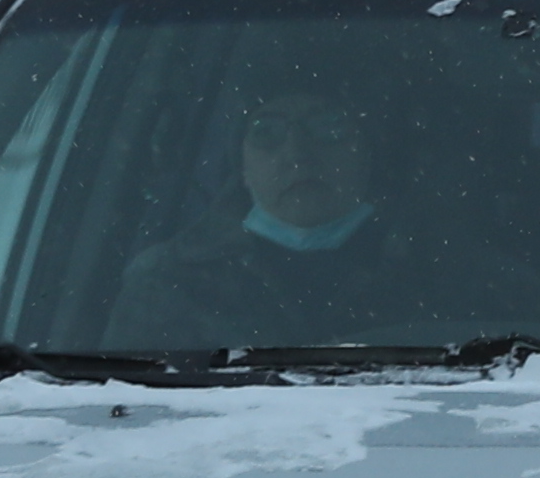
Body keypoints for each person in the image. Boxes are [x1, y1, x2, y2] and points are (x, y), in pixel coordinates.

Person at [114, 61, 424, 353]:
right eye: (267, 133)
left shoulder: (438, 265)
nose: (298, 153)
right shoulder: (170, 283)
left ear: (367, 152)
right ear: (243, 169)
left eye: (329, 128)